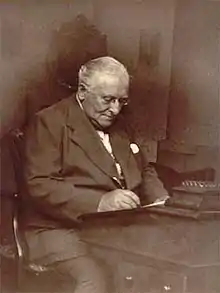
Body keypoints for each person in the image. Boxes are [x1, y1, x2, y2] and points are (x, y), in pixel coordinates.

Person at [23, 56, 169, 293]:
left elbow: (144, 169)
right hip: (57, 230)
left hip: (113, 231)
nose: (116, 109)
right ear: (82, 91)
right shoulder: (49, 122)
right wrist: (100, 201)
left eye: (122, 101)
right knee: (97, 277)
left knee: (152, 268)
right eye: (108, 100)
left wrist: (161, 200)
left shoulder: (122, 125)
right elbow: (40, 185)